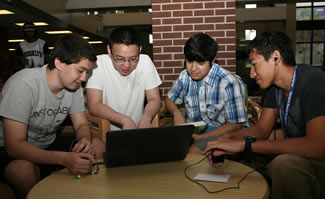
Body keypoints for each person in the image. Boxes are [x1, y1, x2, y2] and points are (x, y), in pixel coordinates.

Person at [204, 31, 325, 199]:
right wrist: (228, 140)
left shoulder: (313, 81)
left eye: (254, 64)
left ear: (275, 57)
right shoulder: (274, 88)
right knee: (240, 162)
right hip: (300, 156)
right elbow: (261, 130)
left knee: (283, 164)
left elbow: (317, 147)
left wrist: (243, 145)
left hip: (317, 161)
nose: (252, 74)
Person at [0, 34, 105, 199]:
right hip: (12, 150)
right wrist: (64, 159)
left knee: (96, 145)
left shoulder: (74, 87)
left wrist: (85, 139)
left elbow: (81, 125)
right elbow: (14, 146)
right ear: (59, 63)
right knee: (23, 170)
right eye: (80, 70)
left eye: (88, 72)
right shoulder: (23, 85)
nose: (84, 78)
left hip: (47, 143)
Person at [165, 33, 249, 154]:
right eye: (189, 61)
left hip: (224, 133)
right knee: (160, 143)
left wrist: (200, 138)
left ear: (212, 60)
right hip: (193, 132)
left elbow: (235, 126)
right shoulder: (185, 76)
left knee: (192, 152)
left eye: (200, 63)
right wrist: (176, 112)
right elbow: (169, 100)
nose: (193, 68)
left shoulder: (229, 82)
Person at [86, 27, 162, 131]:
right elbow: (94, 105)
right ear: (109, 50)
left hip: (136, 129)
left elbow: (155, 99)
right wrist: (124, 120)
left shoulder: (145, 61)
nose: (126, 65)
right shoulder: (97, 64)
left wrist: (146, 117)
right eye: (119, 59)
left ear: (140, 50)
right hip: (103, 132)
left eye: (133, 59)